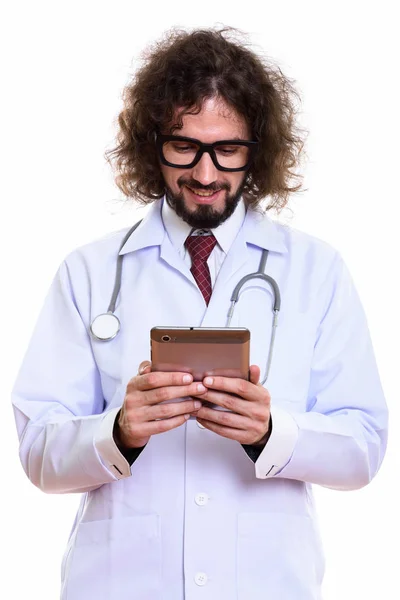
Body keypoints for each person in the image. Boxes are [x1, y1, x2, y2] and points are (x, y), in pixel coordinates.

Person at [12, 27, 388, 600]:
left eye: (228, 150)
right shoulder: (88, 272)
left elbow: (363, 449)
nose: (206, 175)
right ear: (151, 143)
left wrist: (272, 432)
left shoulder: (316, 269)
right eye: (184, 147)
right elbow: (38, 454)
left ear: (258, 150)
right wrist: (118, 432)